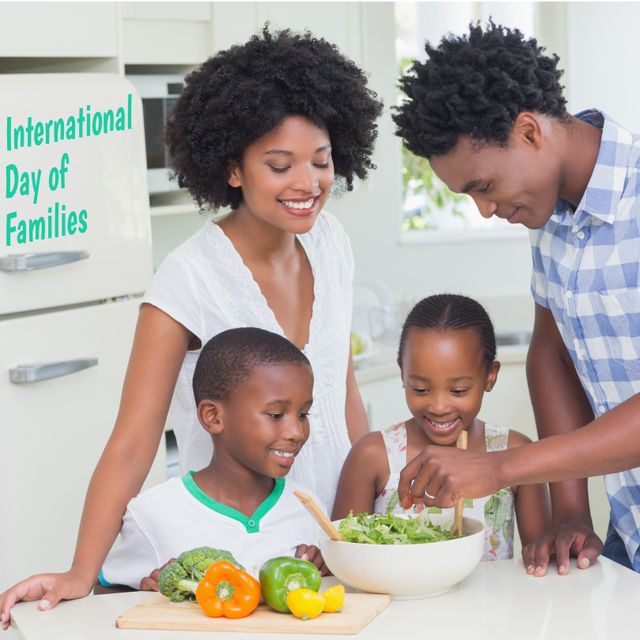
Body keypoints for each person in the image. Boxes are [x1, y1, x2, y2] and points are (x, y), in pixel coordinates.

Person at [0, 26, 382, 628]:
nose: (307, 184)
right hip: (241, 547)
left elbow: (342, 391)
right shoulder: (188, 280)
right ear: (232, 169)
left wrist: (365, 518)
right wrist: (81, 571)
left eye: (321, 160)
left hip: (334, 535)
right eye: (280, 165)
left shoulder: (332, 244)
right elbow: (132, 442)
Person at [392, 21, 640, 575]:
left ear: (529, 131)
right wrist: (571, 509)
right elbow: (552, 354)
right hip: (630, 529)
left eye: (483, 186)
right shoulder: (549, 218)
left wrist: (503, 468)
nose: (484, 210)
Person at [100, 327, 327, 590]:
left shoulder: (308, 506)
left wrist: (326, 567)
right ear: (213, 417)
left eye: (303, 414)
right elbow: (106, 593)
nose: (296, 432)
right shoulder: (153, 513)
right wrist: (150, 593)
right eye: (276, 415)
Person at [332, 294, 550, 561]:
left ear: (490, 376)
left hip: (491, 604)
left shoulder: (515, 453)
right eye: (420, 389)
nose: (438, 406)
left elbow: (541, 563)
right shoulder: (372, 456)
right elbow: (341, 556)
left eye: (458, 390)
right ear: (403, 373)